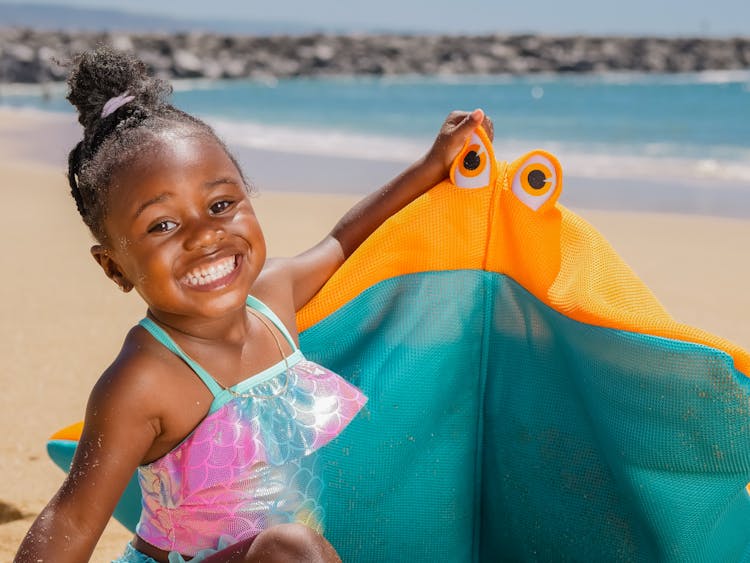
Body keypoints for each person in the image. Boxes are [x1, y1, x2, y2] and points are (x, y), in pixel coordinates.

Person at [14, 47, 492, 563]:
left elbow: (345, 241)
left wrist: (431, 165)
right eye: (163, 226)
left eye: (221, 205)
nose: (205, 236)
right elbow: (73, 518)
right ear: (114, 268)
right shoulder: (145, 378)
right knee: (292, 549)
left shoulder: (272, 296)